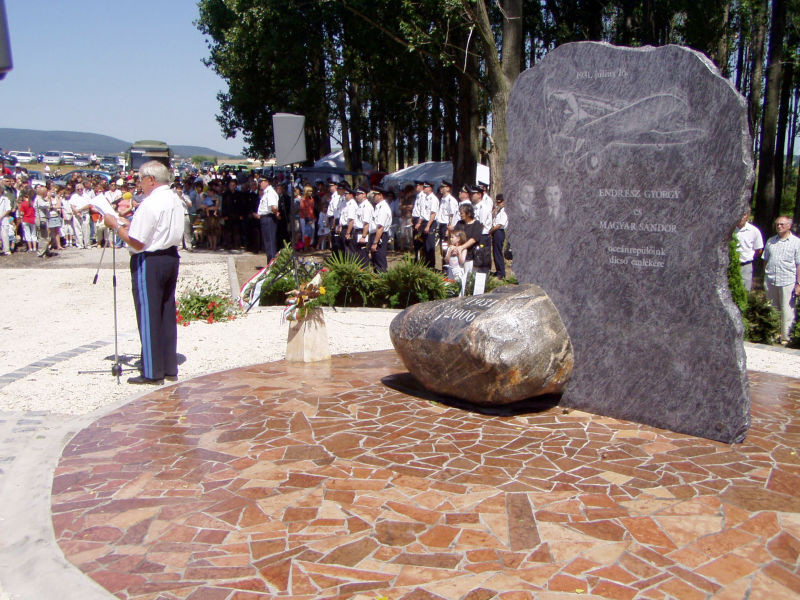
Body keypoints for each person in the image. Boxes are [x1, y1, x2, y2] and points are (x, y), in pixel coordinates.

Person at [103, 160, 183, 385]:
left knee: (148, 314)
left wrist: (115, 226)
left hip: (150, 260)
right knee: (166, 312)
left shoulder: (151, 203)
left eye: (141, 179)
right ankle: (168, 366)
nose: (139, 184)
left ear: (151, 179)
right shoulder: (174, 199)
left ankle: (152, 371)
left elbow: (137, 243)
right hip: (170, 256)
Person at [763, 216, 800, 345]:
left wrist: (798, 283)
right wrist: (765, 276)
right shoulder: (771, 241)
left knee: (787, 311)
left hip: (788, 280)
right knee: (772, 308)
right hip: (771, 279)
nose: (779, 226)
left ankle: (786, 338)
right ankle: (772, 334)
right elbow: (766, 260)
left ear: (789, 226)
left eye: (782, 224)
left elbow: (798, 264)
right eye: (777, 224)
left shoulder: (796, 242)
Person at [735, 210, 763, 291]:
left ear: (747, 216)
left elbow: (759, 250)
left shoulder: (754, 231)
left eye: (743, 214)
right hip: (730, 264)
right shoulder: (729, 229)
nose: (741, 217)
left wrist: (749, 257)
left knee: (745, 290)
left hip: (746, 265)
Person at [256, 176, 280, 261]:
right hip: (265, 218)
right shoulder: (266, 192)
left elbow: (274, 207)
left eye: (261, 181)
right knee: (267, 243)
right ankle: (270, 262)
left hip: (269, 218)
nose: (260, 183)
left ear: (267, 182)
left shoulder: (270, 192)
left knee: (270, 242)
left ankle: (272, 263)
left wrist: (275, 212)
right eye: (259, 182)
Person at [369, 187, 392, 272]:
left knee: (380, 261)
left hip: (380, 236)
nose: (373, 196)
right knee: (375, 261)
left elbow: (380, 227)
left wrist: (375, 242)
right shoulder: (378, 207)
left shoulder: (383, 208)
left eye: (375, 195)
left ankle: (382, 280)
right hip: (375, 235)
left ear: (380, 196)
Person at [489, 194, 508, 279]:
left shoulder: (504, 211)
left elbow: (499, 225)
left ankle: (501, 273)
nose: (498, 204)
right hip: (496, 232)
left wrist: (491, 231)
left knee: (498, 253)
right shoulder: (500, 210)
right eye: (497, 202)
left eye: (499, 202)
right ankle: (498, 270)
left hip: (499, 232)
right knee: (495, 252)